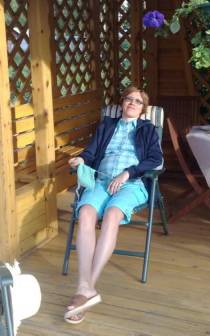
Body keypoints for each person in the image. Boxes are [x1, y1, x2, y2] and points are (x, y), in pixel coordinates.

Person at [64, 86, 163, 324]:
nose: (132, 103)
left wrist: (127, 173)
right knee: (86, 213)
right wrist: (81, 159)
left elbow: (155, 159)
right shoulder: (107, 125)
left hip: (131, 184)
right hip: (101, 181)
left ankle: (86, 288)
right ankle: (85, 288)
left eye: (138, 101)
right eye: (129, 99)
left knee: (111, 215)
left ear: (143, 109)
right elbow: (91, 153)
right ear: (122, 103)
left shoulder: (147, 129)